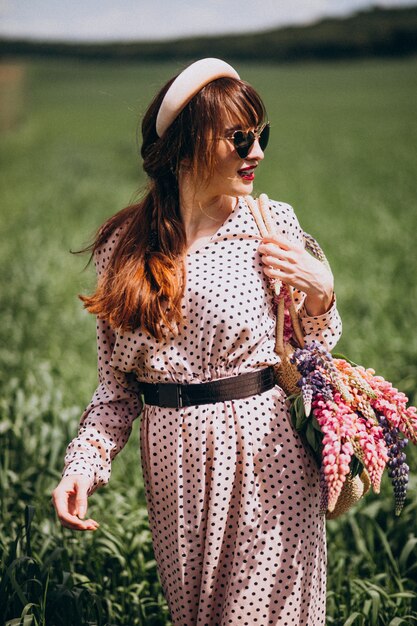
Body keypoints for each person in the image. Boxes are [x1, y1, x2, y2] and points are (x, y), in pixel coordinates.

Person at [52, 57, 342, 625]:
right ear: (188, 144)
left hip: (269, 457)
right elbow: (115, 390)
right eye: (239, 137)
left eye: (261, 136)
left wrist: (321, 291)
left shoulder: (270, 222)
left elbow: (312, 350)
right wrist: (82, 464)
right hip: (174, 468)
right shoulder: (125, 245)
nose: (256, 151)